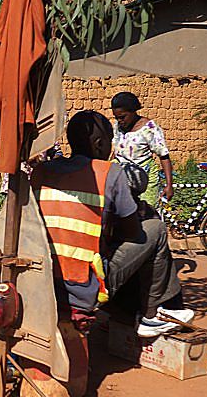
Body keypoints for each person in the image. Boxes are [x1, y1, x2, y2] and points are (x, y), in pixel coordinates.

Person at [30, 110, 193, 337]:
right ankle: (151, 315)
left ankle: (119, 312)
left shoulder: (42, 171)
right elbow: (133, 233)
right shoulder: (109, 172)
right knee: (154, 230)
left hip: (44, 280)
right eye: (110, 141)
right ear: (99, 144)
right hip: (83, 287)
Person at [111, 91, 174, 207]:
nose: (120, 121)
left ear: (133, 111)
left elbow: (164, 156)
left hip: (144, 177)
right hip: (121, 178)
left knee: (145, 212)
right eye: (116, 118)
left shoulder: (149, 129)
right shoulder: (117, 127)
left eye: (122, 117)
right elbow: (116, 152)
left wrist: (169, 185)